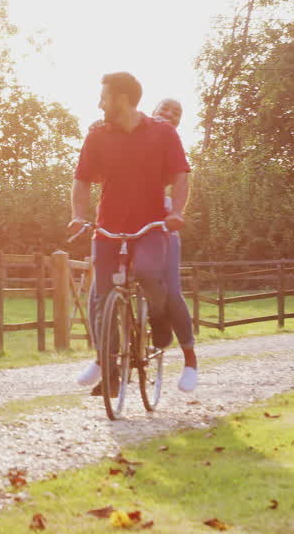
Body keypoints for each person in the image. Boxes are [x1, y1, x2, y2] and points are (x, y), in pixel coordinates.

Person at [67, 73, 198, 395]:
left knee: (149, 273)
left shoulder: (163, 133)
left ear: (122, 99)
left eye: (104, 97)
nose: (100, 104)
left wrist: (177, 212)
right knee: (100, 297)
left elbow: (181, 175)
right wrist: (78, 216)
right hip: (108, 228)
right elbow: (81, 180)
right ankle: (106, 362)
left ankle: (161, 320)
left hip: (151, 226)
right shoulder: (98, 135)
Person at [150, 97, 198, 392]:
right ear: (152, 112)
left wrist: (176, 213)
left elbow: (181, 181)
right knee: (112, 284)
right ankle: (110, 360)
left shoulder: (173, 144)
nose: (169, 114)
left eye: (176, 113)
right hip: (130, 221)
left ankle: (190, 358)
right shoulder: (134, 137)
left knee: (170, 291)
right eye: (164, 109)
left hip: (162, 222)